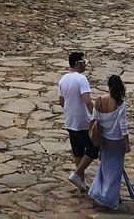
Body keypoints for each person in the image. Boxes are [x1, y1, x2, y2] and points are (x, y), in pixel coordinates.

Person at [89, 74, 134, 208]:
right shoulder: (120, 103)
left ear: (109, 86)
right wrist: (127, 144)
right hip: (117, 141)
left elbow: (94, 119)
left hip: (104, 140)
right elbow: (123, 125)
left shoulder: (99, 100)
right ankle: (110, 197)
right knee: (115, 170)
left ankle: (102, 192)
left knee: (105, 168)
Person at [58, 51, 97, 191]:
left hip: (70, 121)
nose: (85, 65)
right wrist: (95, 116)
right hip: (83, 121)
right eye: (83, 62)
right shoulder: (81, 79)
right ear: (77, 64)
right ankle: (77, 174)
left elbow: (61, 101)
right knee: (93, 149)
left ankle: (80, 181)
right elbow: (87, 101)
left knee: (78, 152)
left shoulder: (63, 80)